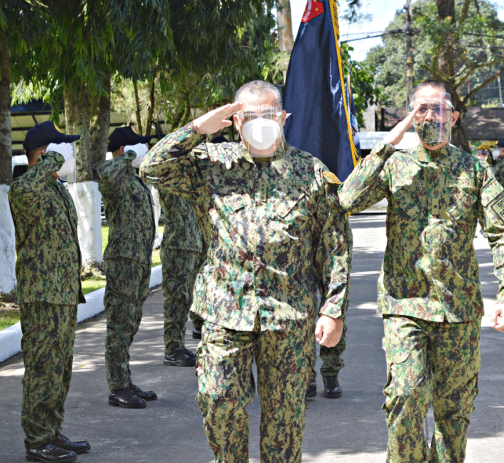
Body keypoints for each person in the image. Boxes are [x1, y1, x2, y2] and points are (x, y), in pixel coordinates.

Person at [140, 80, 352, 462]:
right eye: (250, 116)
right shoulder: (211, 164)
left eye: (269, 114)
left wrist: (333, 308)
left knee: (284, 422)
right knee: (217, 401)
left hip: (288, 317)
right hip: (225, 312)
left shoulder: (312, 173)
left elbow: (335, 247)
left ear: (283, 117)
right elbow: (152, 169)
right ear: (235, 122)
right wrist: (197, 129)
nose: (261, 123)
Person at [337, 80, 504, 462]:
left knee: (455, 411)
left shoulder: (475, 171)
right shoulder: (395, 166)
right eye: (421, 109)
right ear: (411, 115)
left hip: (459, 309)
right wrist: (388, 143)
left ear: (453, 117)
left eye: (438, 109)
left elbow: (502, 234)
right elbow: (347, 199)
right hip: (405, 305)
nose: (430, 117)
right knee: (405, 396)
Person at [10, 121, 90, 462]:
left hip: (62, 293)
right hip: (41, 296)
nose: (70, 153)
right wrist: (51, 163)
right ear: (45, 154)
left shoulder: (55, 188)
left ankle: (53, 432)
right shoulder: (25, 188)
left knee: (60, 370)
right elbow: (25, 191)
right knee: (43, 369)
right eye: (64, 148)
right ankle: (37, 440)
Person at [99, 126, 157, 409]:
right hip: (124, 262)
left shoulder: (134, 180)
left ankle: (125, 379)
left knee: (131, 322)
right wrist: (126, 157)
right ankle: (117, 387)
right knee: (120, 324)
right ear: (124, 150)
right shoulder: (116, 177)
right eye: (136, 146)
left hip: (140, 260)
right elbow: (106, 172)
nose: (142, 150)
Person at [159, 189, 206, 364]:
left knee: (185, 298)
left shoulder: (189, 182)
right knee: (175, 299)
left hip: (193, 245)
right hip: (177, 245)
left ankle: (178, 347)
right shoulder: (170, 179)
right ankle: (172, 350)